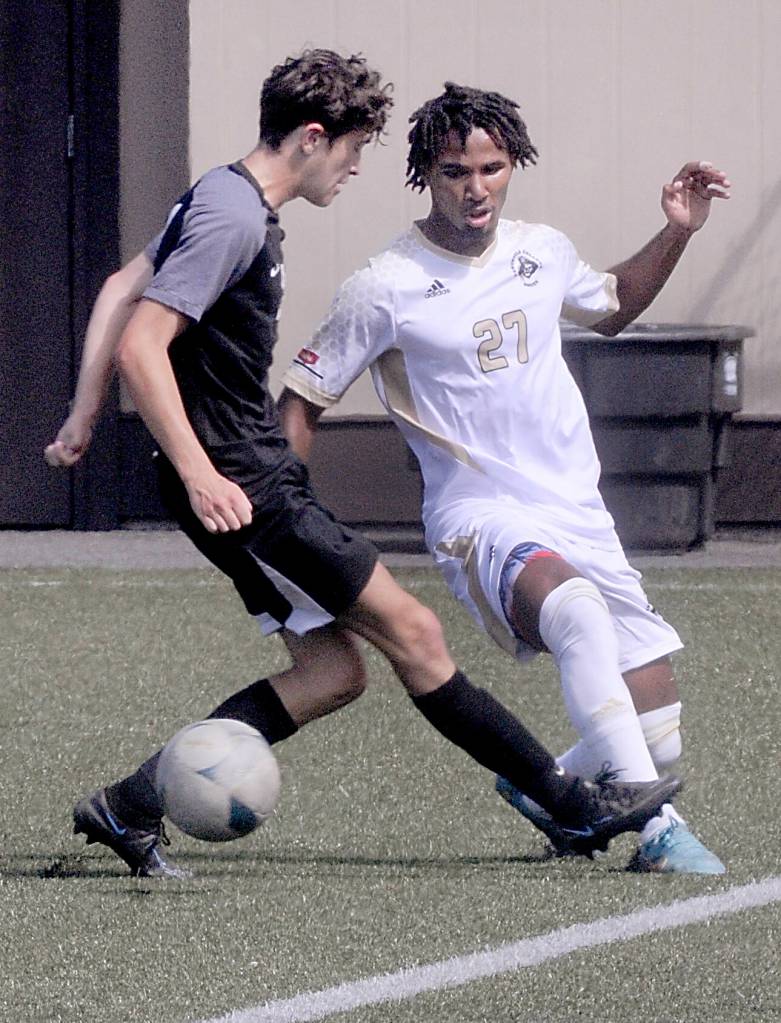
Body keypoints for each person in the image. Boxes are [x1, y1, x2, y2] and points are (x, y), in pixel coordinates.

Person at [46, 52, 677, 879]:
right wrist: (200, 471)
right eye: (350, 151)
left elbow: (117, 287)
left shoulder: (216, 192)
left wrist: (82, 414)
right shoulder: (237, 219)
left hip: (241, 473)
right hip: (244, 481)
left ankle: (129, 804)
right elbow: (142, 342)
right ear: (312, 137)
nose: (351, 169)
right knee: (414, 635)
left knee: (334, 672)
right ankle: (572, 804)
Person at [278, 82, 727, 875]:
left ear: (512, 164)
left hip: (578, 511)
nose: (475, 187)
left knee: (657, 724)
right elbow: (300, 407)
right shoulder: (384, 283)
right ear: (426, 174)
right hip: (476, 515)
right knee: (577, 615)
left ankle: (546, 790)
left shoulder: (541, 249)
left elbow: (614, 305)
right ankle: (656, 833)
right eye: (455, 171)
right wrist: (283, 527)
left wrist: (675, 230)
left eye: (491, 168)